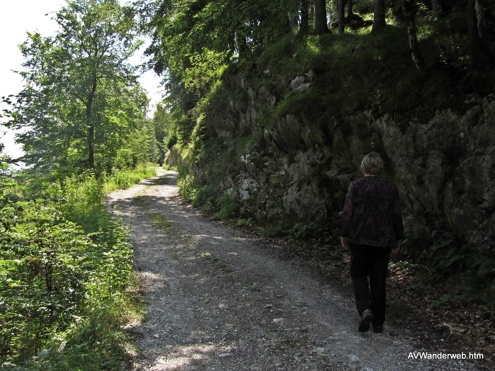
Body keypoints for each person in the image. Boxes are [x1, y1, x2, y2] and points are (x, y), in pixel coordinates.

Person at [340, 152, 404, 333]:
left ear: (364, 167)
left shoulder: (356, 186)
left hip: (359, 238)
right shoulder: (390, 188)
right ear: (380, 167)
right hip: (383, 240)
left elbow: (348, 212)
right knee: (378, 279)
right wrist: (398, 237)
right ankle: (378, 323)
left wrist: (344, 234)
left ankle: (365, 309)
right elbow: (396, 215)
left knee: (358, 274)